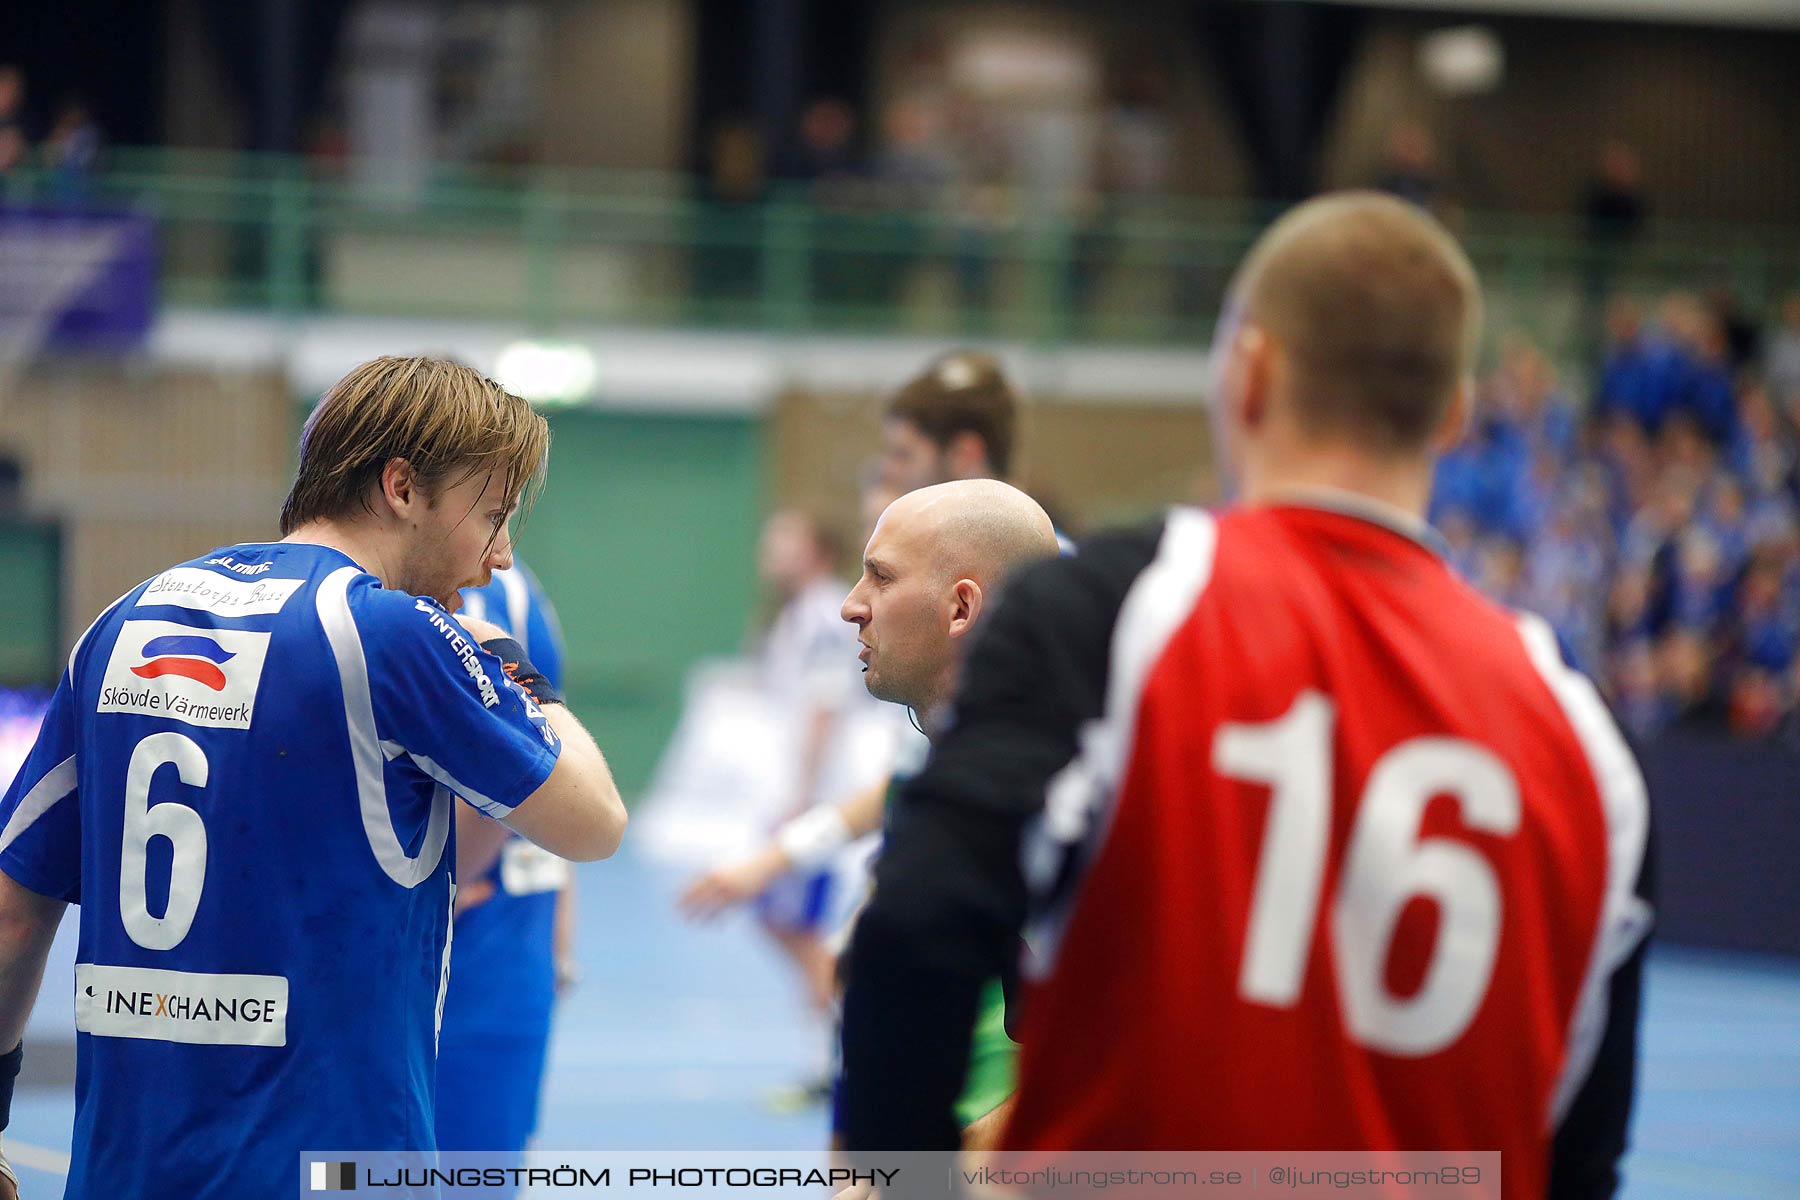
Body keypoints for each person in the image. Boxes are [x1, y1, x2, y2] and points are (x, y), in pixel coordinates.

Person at [839, 193, 1653, 1200]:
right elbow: (1579, 1148)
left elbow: (917, 929)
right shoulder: (1584, 736)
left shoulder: (1112, 616)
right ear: (1453, 414)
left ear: (1249, 376)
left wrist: (905, 1173)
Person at [0, 356, 627, 1198]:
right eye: (493, 515)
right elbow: (595, 824)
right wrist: (525, 684)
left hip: (123, 1169)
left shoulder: (124, 620)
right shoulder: (391, 635)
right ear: (402, 487)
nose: (500, 559)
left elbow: (13, 911)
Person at [435, 562, 576, 1186]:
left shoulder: (490, 599)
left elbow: (525, 761)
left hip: (470, 953)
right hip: (496, 949)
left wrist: (450, 881)